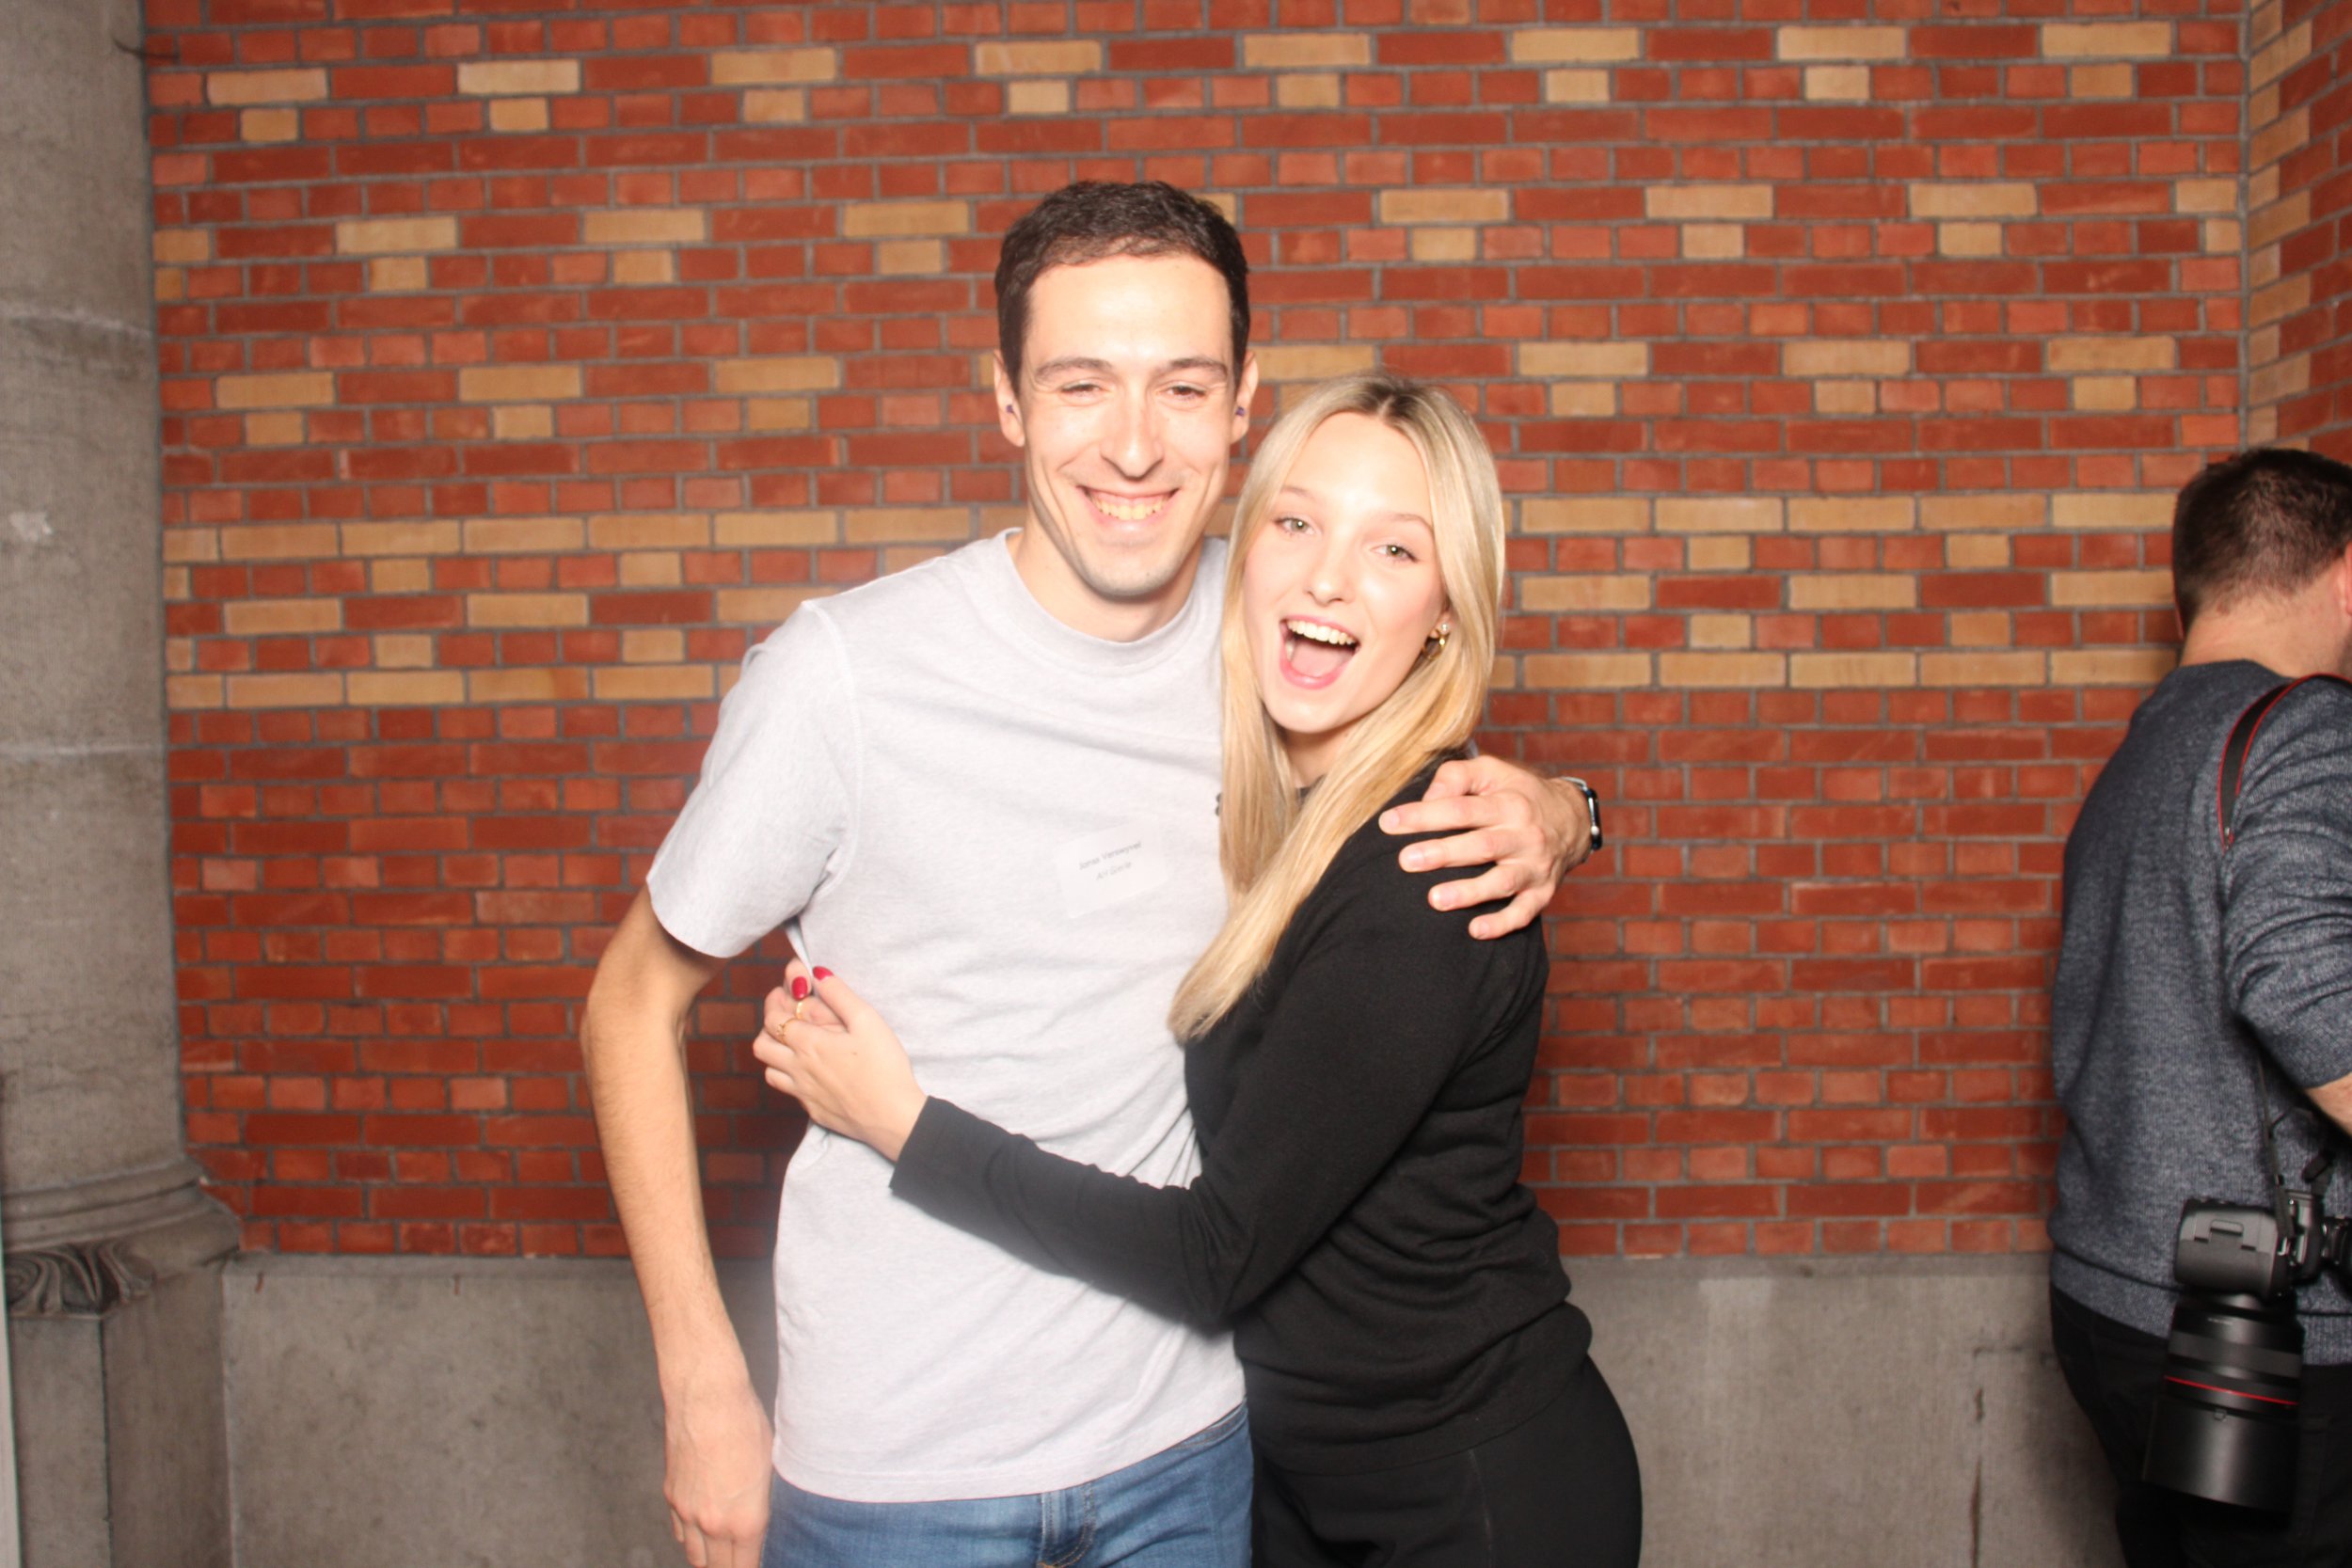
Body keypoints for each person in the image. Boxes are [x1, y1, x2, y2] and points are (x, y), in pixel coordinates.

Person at [580, 182, 1597, 1568]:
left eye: (1182, 386)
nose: (1132, 444)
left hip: (1190, 1452)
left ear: (1242, 405)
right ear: (1006, 399)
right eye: (1079, 384)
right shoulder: (845, 677)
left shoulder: (1274, 625)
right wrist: (702, 1382)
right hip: (906, 1472)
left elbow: (1414, 742)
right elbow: (629, 1002)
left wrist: (1561, 807)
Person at [761, 373, 1642, 1568]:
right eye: (1297, 521)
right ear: (1245, 550)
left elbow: (1211, 1255)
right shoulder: (1291, 802)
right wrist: (1570, 801)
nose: (1327, 577)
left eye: (1393, 547)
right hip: (1299, 1471)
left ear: (1446, 609)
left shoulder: (1423, 873)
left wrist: (902, 1121)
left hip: (1473, 1491)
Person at [2047, 446, 2352, 1567]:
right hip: (2268, 1336)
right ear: (2347, 577)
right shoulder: (2307, 727)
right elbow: (2301, 981)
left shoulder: (2144, 750)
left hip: (2116, 1302)